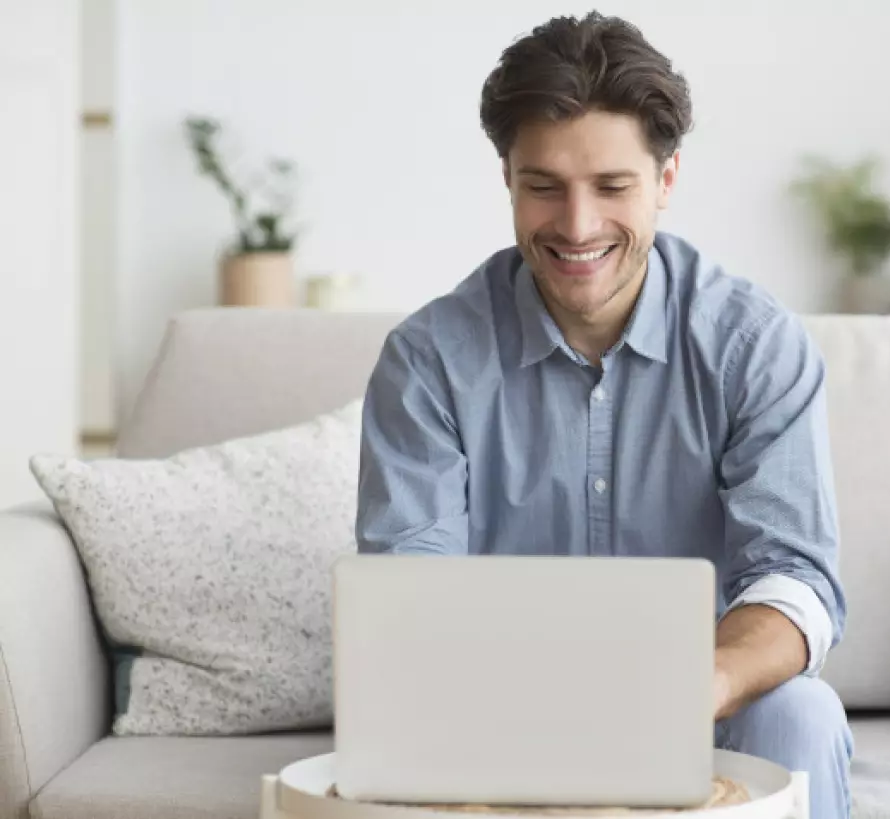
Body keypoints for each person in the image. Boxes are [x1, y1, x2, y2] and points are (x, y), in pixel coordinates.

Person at [356, 12, 852, 817]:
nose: (577, 227)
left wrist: (708, 680)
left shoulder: (754, 346)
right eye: (543, 186)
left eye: (612, 187)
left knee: (802, 713)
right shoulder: (430, 360)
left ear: (666, 179)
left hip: (707, 709)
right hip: (493, 715)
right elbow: (408, 600)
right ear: (507, 181)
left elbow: (796, 579)